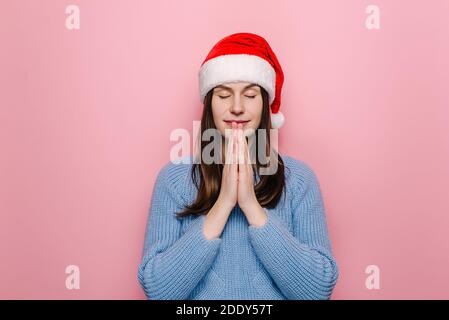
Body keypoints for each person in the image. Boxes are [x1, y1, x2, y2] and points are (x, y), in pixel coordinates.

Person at [137, 32, 339, 300]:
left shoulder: (299, 180)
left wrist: (251, 205)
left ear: (265, 105)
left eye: (250, 95)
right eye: (223, 95)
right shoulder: (173, 180)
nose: (236, 107)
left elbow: (317, 291)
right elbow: (159, 291)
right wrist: (223, 204)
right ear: (209, 104)